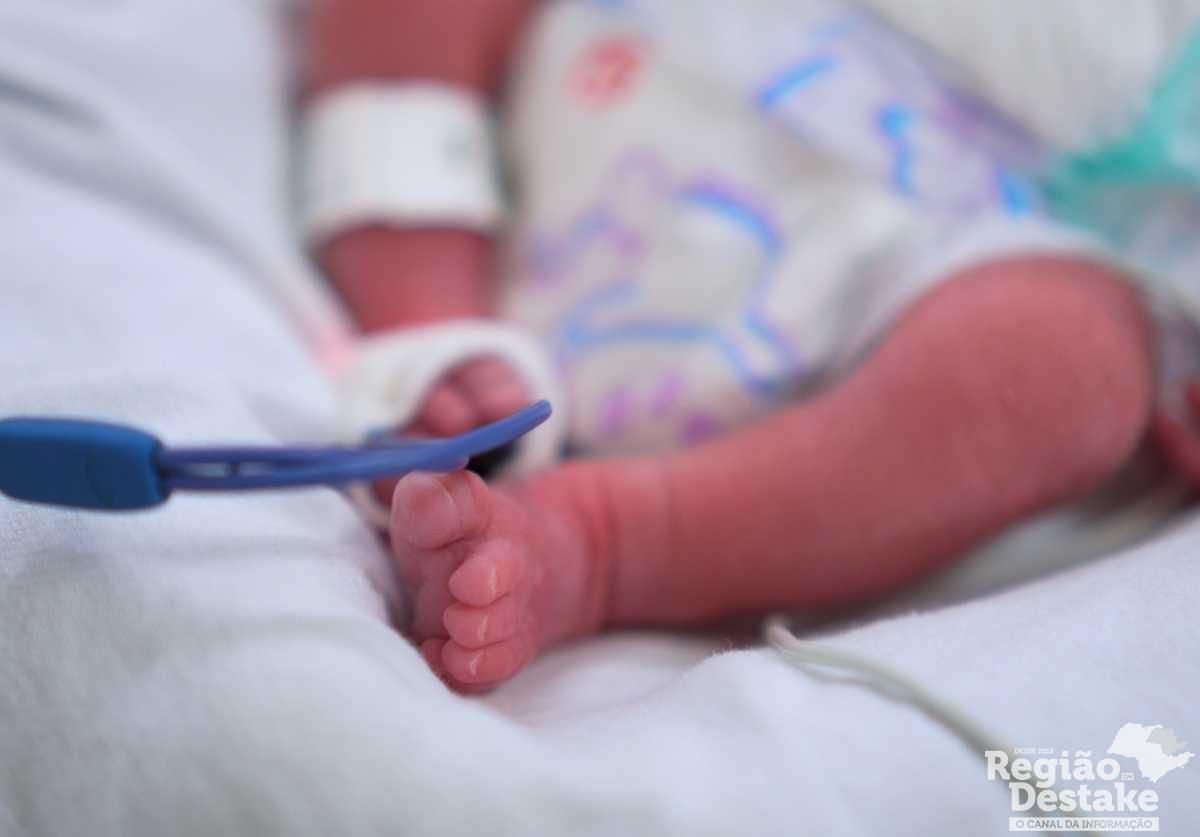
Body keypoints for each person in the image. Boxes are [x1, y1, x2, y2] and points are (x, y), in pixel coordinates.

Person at [307, 0, 1200, 690]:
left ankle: (606, 541)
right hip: (619, 54)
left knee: (1072, 359)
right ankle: (428, 337)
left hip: (925, 222)